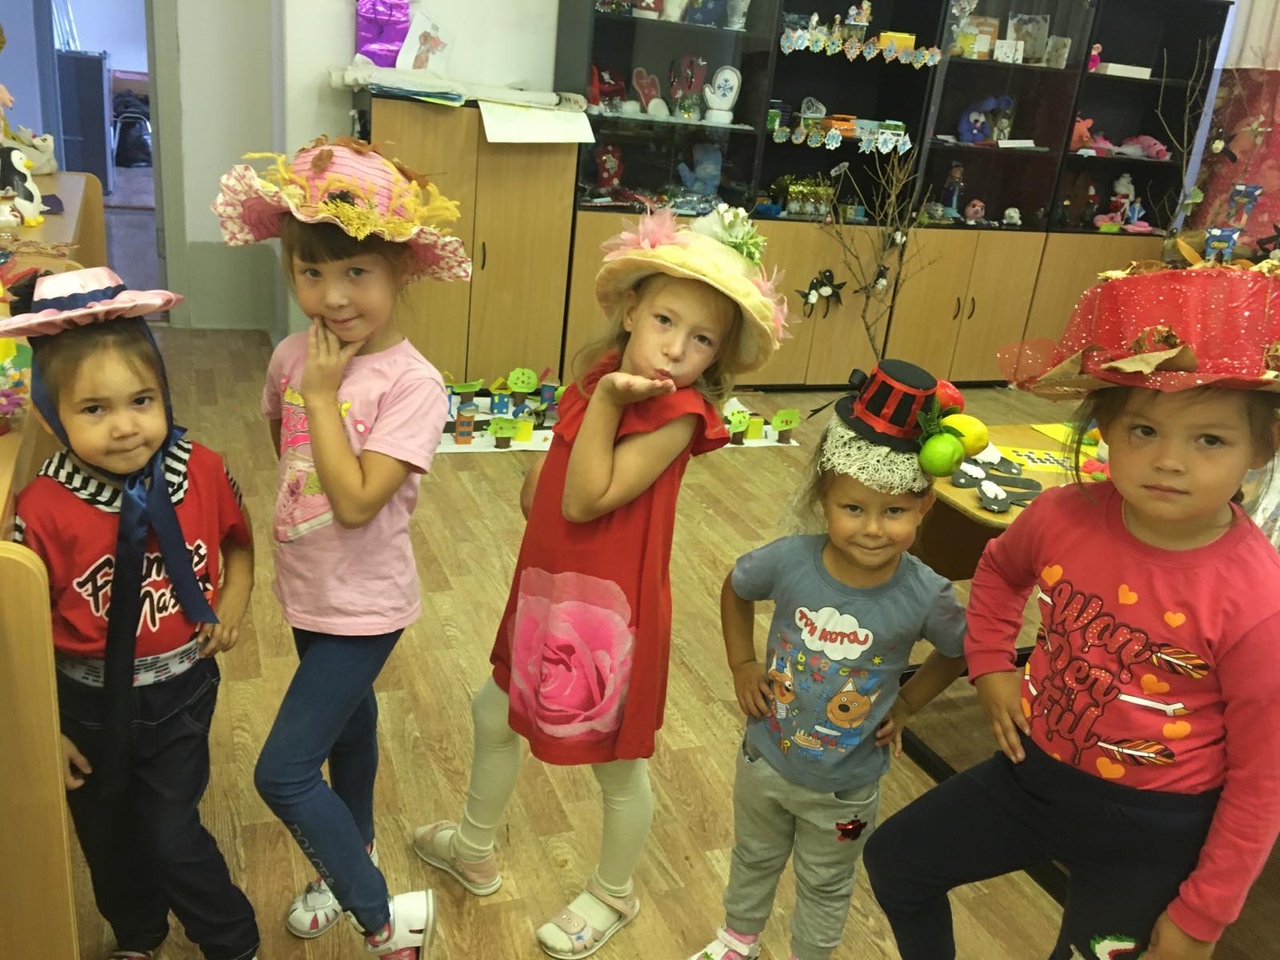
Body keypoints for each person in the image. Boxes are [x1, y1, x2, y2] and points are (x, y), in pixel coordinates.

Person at [864, 266, 1280, 960]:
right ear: (1106, 426)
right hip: (1030, 775)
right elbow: (1001, 572)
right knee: (896, 862)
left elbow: (1263, 780)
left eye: (1209, 440)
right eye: (1144, 429)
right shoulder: (1062, 515)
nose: (1169, 461)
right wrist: (991, 664)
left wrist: (1202, 916)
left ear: (1263, 448)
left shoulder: (1258, 599)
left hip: (1152, 829)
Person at [412, 205, 788, 958]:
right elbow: (549, 488)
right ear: (631, 311)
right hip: (550, 589)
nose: (675, 348)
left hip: (610, 613)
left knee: (617, 763)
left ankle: (614, 891)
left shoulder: (676, 412)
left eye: (701, 339)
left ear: (718, 357)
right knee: (495, 710)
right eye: (665, 321)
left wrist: (610, 405)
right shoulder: (595, 382)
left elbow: (587, 499)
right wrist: (567, 439)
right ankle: (474, 846)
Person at [213, 136, 471, 958]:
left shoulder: (413, 384)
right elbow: (284, 450)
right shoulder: (290, 356)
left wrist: (323, 398)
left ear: (400, 272)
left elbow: (356, 502)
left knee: (283, 771)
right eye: (311, 271)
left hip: (367, 605)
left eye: (357, 271)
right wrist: (310, 398)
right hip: (308, 590)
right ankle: (353, 846)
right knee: (351, 729)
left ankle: (384, 917)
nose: (332, 296)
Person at [4, 267, 259, 960]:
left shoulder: (200, 469)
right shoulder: (40, 511)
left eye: (141, 400)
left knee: (171, 833)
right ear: (51, 415)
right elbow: (18, 636)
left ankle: (233, 941)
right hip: (83, 705)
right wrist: (47, 731)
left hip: (180, 692)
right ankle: (138, 936)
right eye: (94, 410)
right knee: (107, 833)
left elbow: (239, 540)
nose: (124, 427)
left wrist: (232, 601)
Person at [688, 360, 968, 960]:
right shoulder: (789, 560)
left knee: (826, 882)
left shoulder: (927, 594)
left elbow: (958, 650)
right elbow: (736, 586)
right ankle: (738, 940)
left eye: (895, 512)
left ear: (925, 506)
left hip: (847, 787)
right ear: (824, 499)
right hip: (764, 758)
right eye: (853, 509)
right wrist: (741, 664)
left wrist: (908, 704)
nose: (873, 529)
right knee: (753, 856)